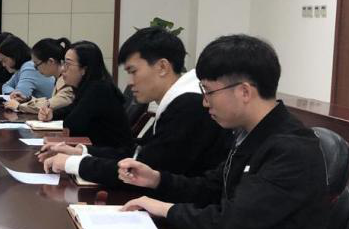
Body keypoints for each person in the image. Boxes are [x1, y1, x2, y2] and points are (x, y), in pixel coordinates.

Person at [117, 34, 331, 229]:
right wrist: (157, 180)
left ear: (244, 91)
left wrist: (165, 209)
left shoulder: (290, 149)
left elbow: (228, 224)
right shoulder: (250, 135)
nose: (205, 102)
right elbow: (210, 187)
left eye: (209, 92)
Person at [39, 27, 228, 184]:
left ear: (162, 67)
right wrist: (81, 151)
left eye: (133, 71)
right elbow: (140, 151)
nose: (130, 82)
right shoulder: (178, 102)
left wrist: (73, 163)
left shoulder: (190, 106)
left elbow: (142, 171)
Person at [38, 40, 134, 148]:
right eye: (63, 63)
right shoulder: (89, 86)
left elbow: (72, 125)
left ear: (84, 69)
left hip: (112, 154)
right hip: (99, 150)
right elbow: (72, 108)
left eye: (68, 64)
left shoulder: (99, 89)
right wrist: (52, 114)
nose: (63, 69)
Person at [5, 38, 74, 113]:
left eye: (36, 64)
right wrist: (27, 99)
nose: (35, 69)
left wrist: (19, 106)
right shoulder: (58, 78)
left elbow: (48, 106)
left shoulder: (68, 82)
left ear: (50, 61)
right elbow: (51, 101)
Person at [0, 35, 55, 99]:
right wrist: (13, 93)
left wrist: (14, 94)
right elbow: (5, 86)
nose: (3, 65)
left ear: (14, 56)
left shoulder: (29, 67)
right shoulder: (20, 69)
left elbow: (19, 97)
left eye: (4, 60)